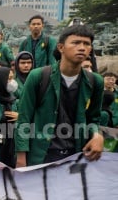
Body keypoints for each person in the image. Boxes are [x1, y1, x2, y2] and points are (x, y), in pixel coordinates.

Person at [15, 24, 104, 167]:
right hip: (42, 155)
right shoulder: (38, 76)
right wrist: (21, 157)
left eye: (86, 44)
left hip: (77, 156)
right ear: (61, 47)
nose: (82, 47)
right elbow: (24, 118)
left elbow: (93, 118)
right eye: (75, 42)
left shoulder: (95, 81)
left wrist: (97, 135)